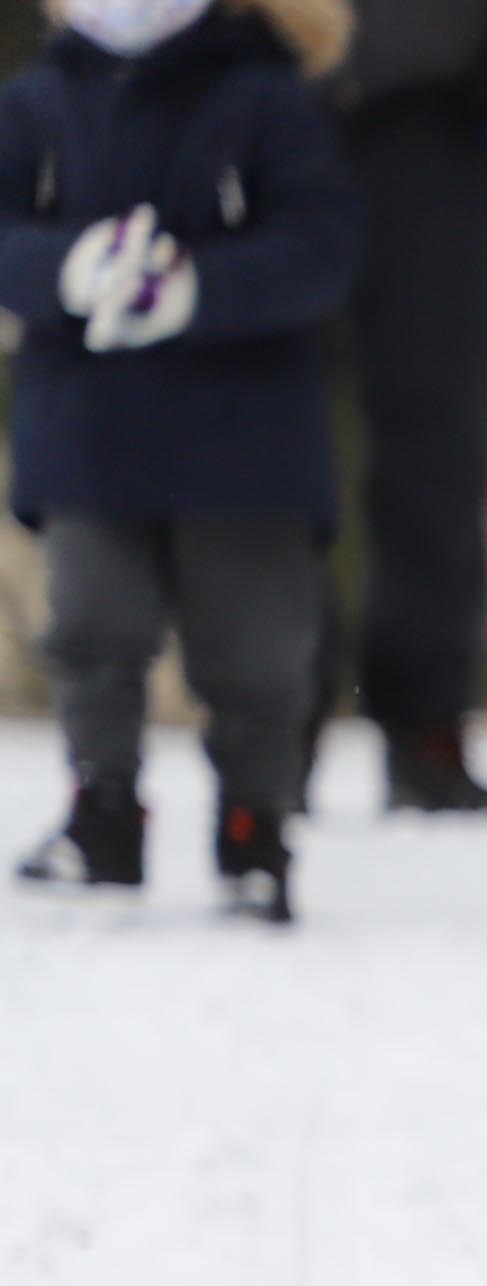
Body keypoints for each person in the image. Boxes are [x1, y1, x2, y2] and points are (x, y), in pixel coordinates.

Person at [3, 0, 360, 926]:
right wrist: (68, 271)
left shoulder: (270, 98)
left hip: (244, 433)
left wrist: (201, 288)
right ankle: (102, 809)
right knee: (90, 621)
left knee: (254, 647)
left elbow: (322, 246)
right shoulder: (36, 102)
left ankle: (254, 826)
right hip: (85, 418)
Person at [320, 0, 487, 816]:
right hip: (266, 102)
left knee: (437, 429)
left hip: (433, 113)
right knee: (266, 425)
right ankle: (276, 710)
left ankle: (427, 715)